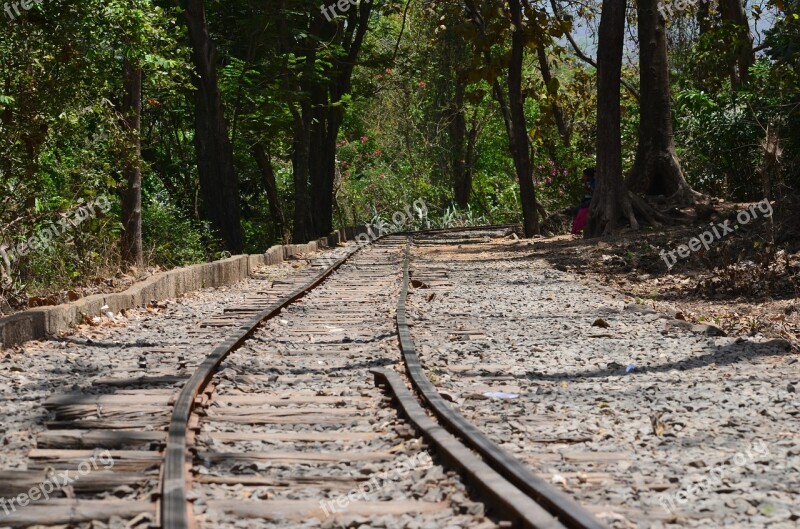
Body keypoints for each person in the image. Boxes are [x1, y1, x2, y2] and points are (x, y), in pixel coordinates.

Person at [571, 167, 595, 234]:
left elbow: (595, 194)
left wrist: (589, 188)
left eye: (585, 176)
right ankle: (576, 228)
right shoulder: (588, 183)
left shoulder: (595, 182)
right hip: (587, 200)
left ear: (589, 176)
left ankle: (579, 229)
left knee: (577, 209)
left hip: (592, 200)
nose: (583, 177)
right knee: (575, 210)